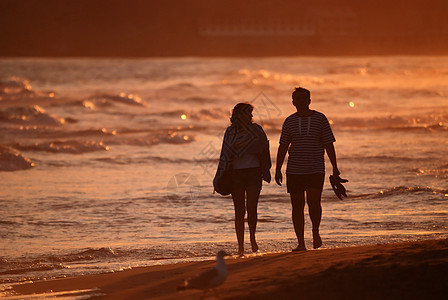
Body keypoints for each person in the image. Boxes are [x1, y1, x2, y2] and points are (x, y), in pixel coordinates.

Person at [275, 87, 341, 251]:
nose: (302, 101)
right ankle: (301, 243)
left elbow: (328, 144)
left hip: (315, 168)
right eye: (298, 99)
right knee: (297, 207)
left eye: (305, 98)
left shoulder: (320, 118)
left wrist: (335, 167)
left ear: (310, 101)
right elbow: (283, 146)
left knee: (314, 203)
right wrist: (277, 169)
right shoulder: (289, 121)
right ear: (293, 102)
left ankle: (315, 232)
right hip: (294, 169)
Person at [214, 103, 271, 256]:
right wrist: (220, 174)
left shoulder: (257, 130)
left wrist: (252, 147)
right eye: (248, 113)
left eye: (251, 114)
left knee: (252, 208)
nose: (251, 117)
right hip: (235, 174)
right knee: (239, 211)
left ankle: (252, 238)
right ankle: (240, 246)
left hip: (254, 172)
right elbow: (225, 154)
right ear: (239, 115)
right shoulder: (230, 132)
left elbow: (264, 149)